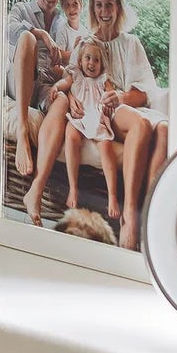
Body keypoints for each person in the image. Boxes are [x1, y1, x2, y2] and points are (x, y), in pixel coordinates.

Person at [23, 0, 166, 250]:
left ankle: (143, 216)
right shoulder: (86, 43)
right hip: (94, 110)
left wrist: (119, 97)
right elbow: (71, 78)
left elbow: (144, 92)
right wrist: (71, 97)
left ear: (118, 7)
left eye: (109, 5)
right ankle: (130, 216)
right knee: (140, 125)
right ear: (92, 8)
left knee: (158, 127)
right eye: (98, 5)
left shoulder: (131, 43)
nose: (104, 11)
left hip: (120, 105)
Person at [5, 0, 63, 177]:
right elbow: (7, 29)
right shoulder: (22, 9)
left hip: (44, 86)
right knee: (27, 38)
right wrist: (41, 33)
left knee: (62, 100)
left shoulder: (63, 21)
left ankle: (47, 175)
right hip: (20, 80)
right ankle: (22, 129)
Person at [57, 37, 122, 222]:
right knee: (71, 136)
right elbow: (65, 83)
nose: (91, 63)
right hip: (79, 118)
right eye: (87, 58)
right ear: (80, 61)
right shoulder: (76, 75)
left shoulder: (103, 79)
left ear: (101, 65)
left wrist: (111, 100)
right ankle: (73, 187)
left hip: (97, 119)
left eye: (96, 60)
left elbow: (111, 94)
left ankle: (112, 196)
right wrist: (56, 87)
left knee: (106, 148)